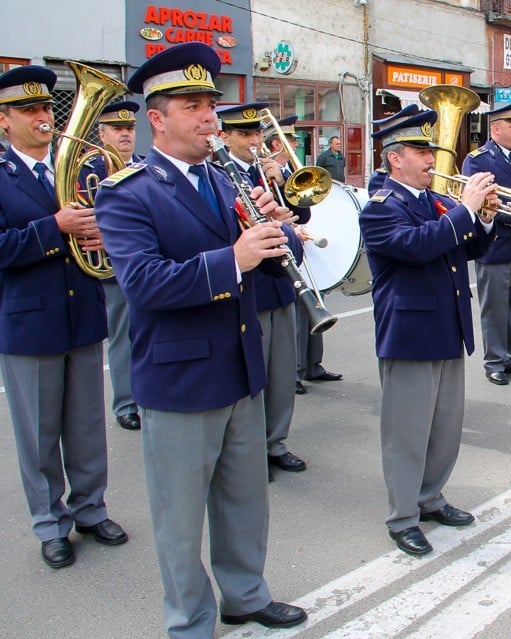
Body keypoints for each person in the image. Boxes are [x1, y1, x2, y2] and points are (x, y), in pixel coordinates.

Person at [94, 43, 306, 635]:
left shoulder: (225, 177)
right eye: (193, 105)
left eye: (211, 102)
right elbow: (144, 286)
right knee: (181, 518)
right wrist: (234, 257)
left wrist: (272, 234)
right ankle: (190, 620)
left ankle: (245, 594)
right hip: (181, 378)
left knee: (244, 501)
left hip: (238, 367)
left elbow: (254, 267)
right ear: (156, 118)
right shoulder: (126, 192)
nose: (210, 116)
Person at [0, 65, 128, 570]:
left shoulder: (74, 168)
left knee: (86, 426)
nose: (40, 118)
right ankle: (50, 524)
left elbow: (109, 229)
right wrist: (55, 226)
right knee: (37, 433)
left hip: (82, 312)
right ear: (4, 121)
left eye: (44, 108)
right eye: (27, 110)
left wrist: (102, 238)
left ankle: (91, 508)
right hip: (30, 321)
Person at [359, 107, 498, 556]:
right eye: (422, 151)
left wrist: (486, 218)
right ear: (395, 158)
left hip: (446, 324)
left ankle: (431, 498)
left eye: (431, 150)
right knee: (407, 431)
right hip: (411, 332)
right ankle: (402, 517)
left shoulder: (429, 200)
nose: (432, 160)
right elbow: (418, 246)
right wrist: (466, 211)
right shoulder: (381, 207)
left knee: (444, 427)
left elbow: (465, 245)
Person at [217, 102, 311, 479]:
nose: (254, 141)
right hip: (252, 284)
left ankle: (277, 441)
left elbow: (302, 214)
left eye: (256, 133)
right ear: (225, 137)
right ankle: (253, 449)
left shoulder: (267, 170)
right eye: (244, 134)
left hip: (282, 284)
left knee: (283, 369)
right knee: (257, 372)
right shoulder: (221, 175)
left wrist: (283, 176)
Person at [264, 116, 344, 393]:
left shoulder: (285, 172)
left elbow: (304, 210)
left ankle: (313, 365)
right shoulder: (259, 170)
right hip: (278, 247)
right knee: (297, 311)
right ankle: (296, 371)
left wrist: (284, 180)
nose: (295, 144)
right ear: (277, 143)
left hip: (299, 239)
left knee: (314, 301)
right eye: (292, 140)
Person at [80, 100, 144, 430]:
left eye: (129, 128)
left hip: (146, 261)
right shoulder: (89, 169)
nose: (125, 134)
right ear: (101, 133)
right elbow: (81, 217)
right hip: (113, 269)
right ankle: (125, 402)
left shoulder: (145, 166)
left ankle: (146, 394)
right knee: (122, 335)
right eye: (117, 129)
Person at [462, 101, 511, 386]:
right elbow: (478, 201)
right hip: (496, 244)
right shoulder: (478, 159)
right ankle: (494, 361)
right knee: (494, 308)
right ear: (496, 128)